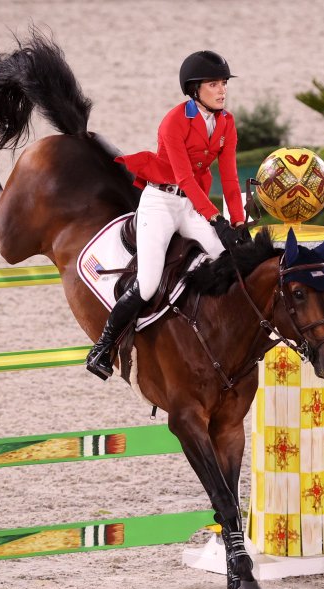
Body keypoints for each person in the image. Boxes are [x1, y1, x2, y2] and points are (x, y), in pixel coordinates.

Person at [86, 50, 248, 379]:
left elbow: (229, 178)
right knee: (147, 285)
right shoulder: (174, 121)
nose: (222, 90)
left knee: (224, 259)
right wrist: (218, 220)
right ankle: (103, 347)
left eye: (223, 84)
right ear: (194, 89)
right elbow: (185, 177)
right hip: (160, 204)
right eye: (214, 84)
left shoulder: (226, 123)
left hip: (190, 206)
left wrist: (239, 222)